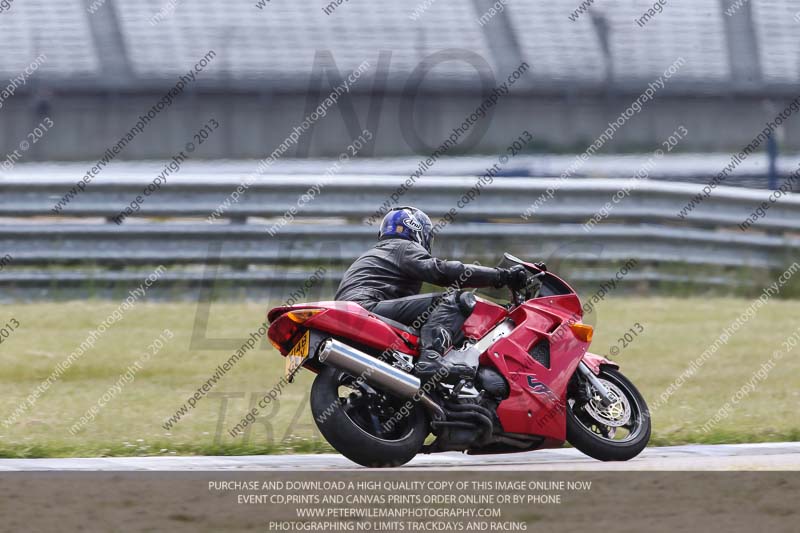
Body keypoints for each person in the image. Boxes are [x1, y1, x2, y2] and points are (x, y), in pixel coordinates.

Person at [335, 206, 529, 383]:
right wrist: (500, 276)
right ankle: (431, 360)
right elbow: (440, 271)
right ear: (419, 231)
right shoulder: (401, 247)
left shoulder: (375, 254)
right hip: (367, 308)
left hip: (355, 313)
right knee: (455, 299)